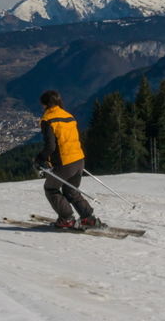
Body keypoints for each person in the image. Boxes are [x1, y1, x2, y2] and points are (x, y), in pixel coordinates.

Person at [34, 90, 101, 228]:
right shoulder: (69, 116)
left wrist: (39, 158)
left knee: (51, 188)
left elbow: (50, 146)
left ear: (46, 104)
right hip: (79, 159)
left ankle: (67, 219)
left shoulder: (48, 120)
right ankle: (88, 218)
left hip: (65, 162)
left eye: (42, 104)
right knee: (71, 191)